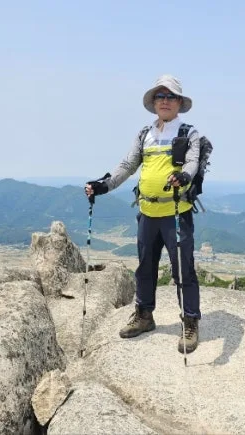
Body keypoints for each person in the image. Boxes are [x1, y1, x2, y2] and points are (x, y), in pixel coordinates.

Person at [84, 74, 202, 354]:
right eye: (160, 96)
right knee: (145, 267)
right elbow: (127, 165)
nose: (165, 101)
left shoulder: (189, 133)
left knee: (183, 270)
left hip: (176, 211)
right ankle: (144, 315)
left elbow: (193, 162)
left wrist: (184, 176)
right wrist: (103, 185)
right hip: (147, 211)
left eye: (170, 96)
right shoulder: (144, 134)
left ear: (179, 102)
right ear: (154, 102)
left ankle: (190, 321)